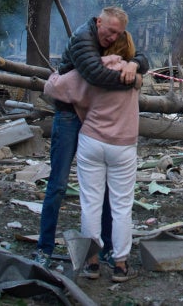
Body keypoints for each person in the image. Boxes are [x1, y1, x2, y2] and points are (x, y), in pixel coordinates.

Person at [36, 7, 149, 267]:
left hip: (92, 119)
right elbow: (95, 76)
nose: (112, 37)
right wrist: (132, 79)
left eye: (117, 34)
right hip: (69, 115)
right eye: (109, 32)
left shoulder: (113, 47)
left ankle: (104, 251)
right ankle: (44, 248)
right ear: (98, 23)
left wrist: (134, 64)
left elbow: (141, 55)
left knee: (100, 194)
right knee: (59, 184)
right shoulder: (82, 40)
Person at [44, 53, 141, 282]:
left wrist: (61, 70)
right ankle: (120, 265)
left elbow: (52, 88)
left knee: (90, 205)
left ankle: (92, 263)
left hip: (92, 142)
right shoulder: (131, 73)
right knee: (121, 207)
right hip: (123, 145)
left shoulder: (90, 70)